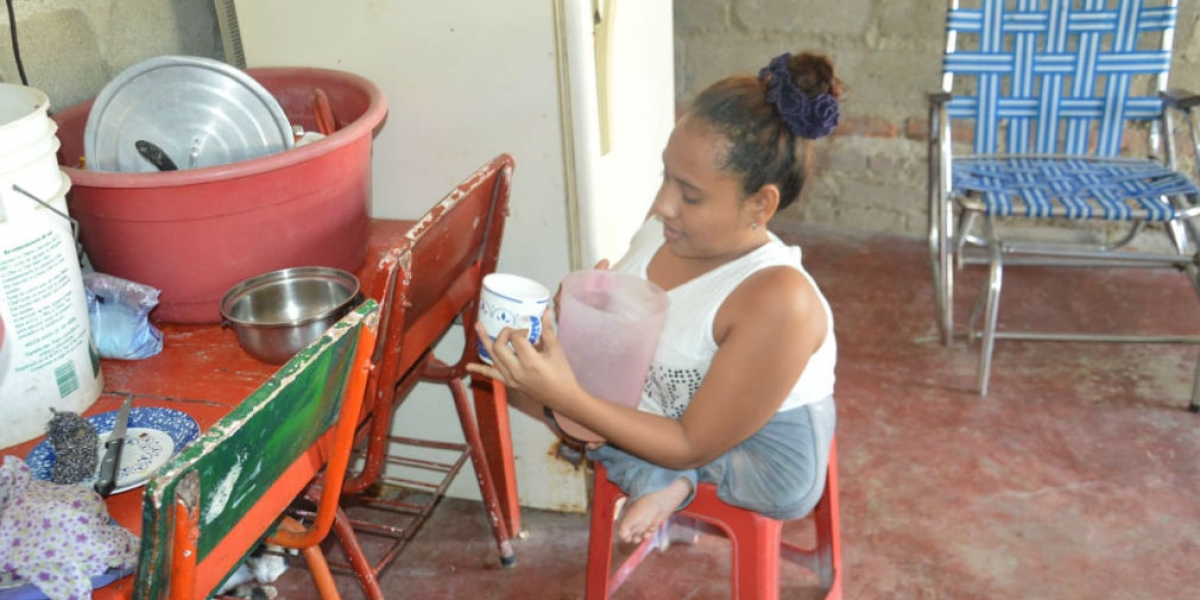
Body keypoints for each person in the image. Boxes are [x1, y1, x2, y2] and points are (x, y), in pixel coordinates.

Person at [468, 50, 840, 545]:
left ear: (761, 203)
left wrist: (567, 397)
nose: (663, 204)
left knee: (569, 407)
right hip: (674, 408)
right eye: (665, 176)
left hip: (759, 456)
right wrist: (581, 316)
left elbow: (689, 441)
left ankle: (668, 481)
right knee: (519, 380)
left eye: (689, 195)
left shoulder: (779, 301)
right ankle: (652, 469)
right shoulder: (675, 230)